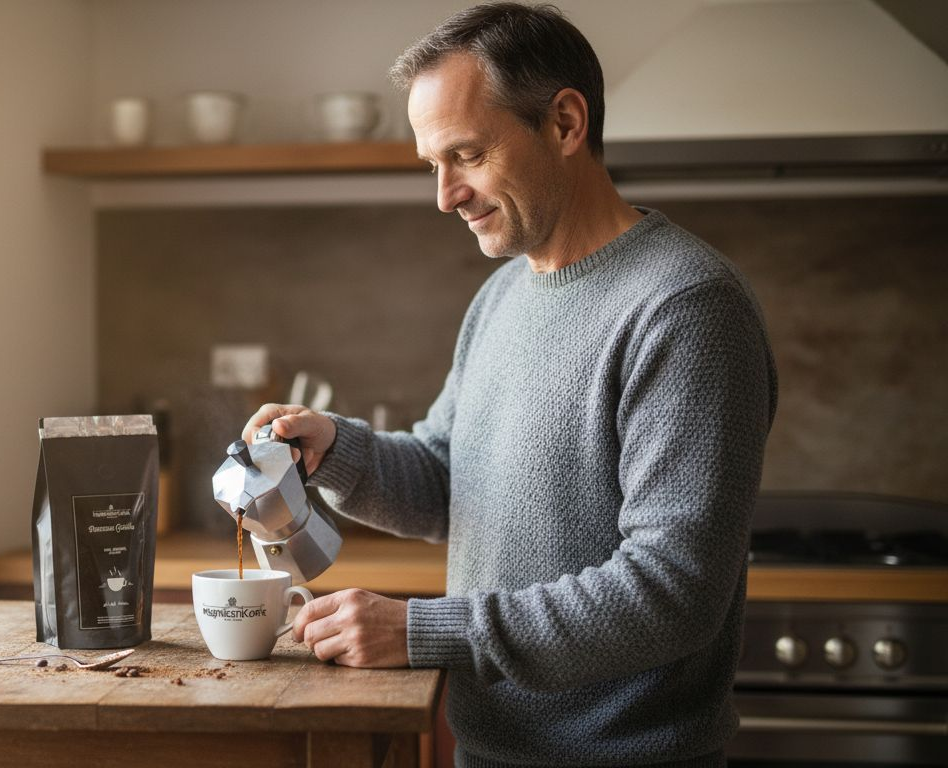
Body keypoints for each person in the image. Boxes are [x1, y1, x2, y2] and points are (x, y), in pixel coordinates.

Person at [240, 3, 777, 767]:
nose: (444, 195)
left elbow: (673, 593)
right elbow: (451, 483)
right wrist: (334, 449)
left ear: (564, 123)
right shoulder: (503, 296)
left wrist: (423, 630)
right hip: (493, 753)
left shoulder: (685, 308)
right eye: (433, 164)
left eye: (466, 155)